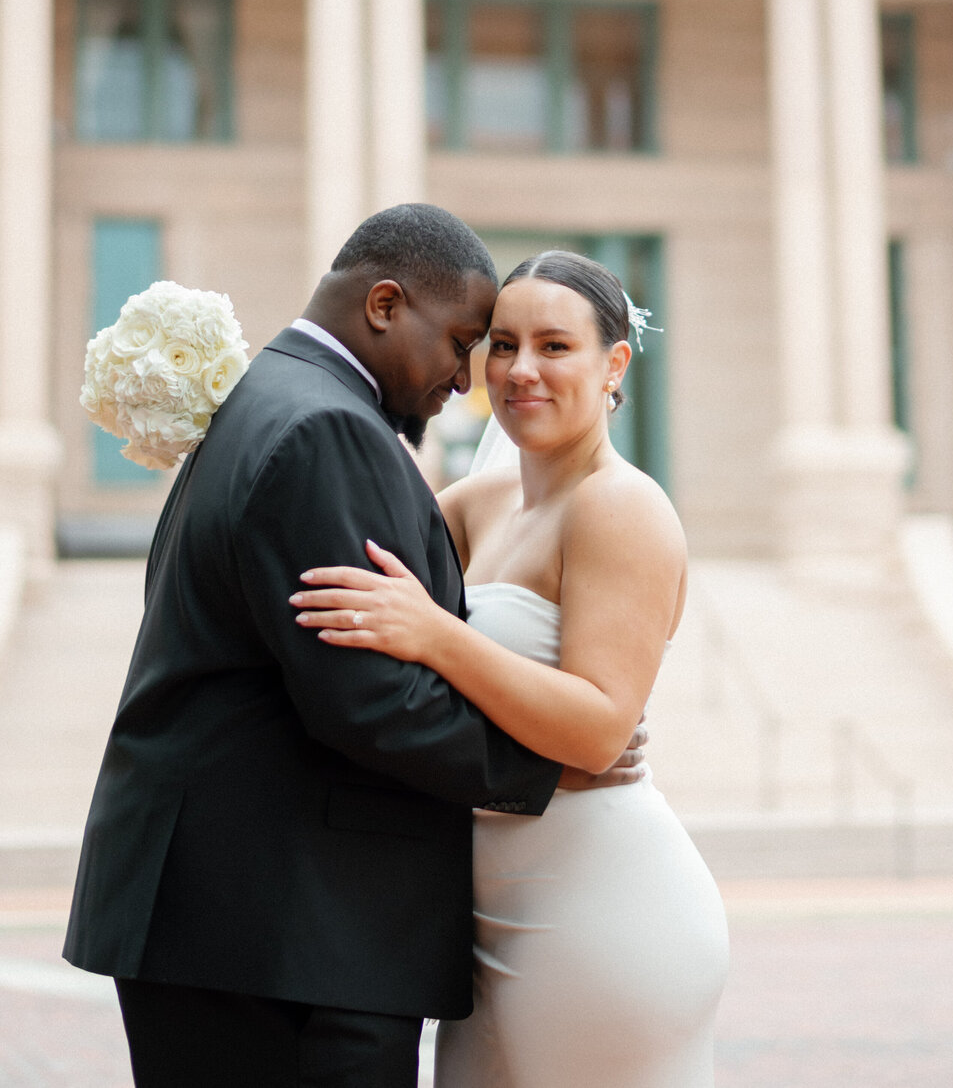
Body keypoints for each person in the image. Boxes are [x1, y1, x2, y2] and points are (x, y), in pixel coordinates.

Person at [64, 206, 643, 1088]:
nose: (465, 380)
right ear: (383, 306)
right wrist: (553, 765)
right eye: (462, 343)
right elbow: (370, 699)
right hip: (282, 938)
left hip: (239, 927)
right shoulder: (326, 429)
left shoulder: (271, 397)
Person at [291, 249, 729, 1087]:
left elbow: (599, 729)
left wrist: (438, 637)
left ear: (614, 363)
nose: (520, 370)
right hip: (488, 915)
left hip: (602, 915)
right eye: (501, 344)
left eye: (555, 347)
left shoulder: (620, 505)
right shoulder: (472, 504)